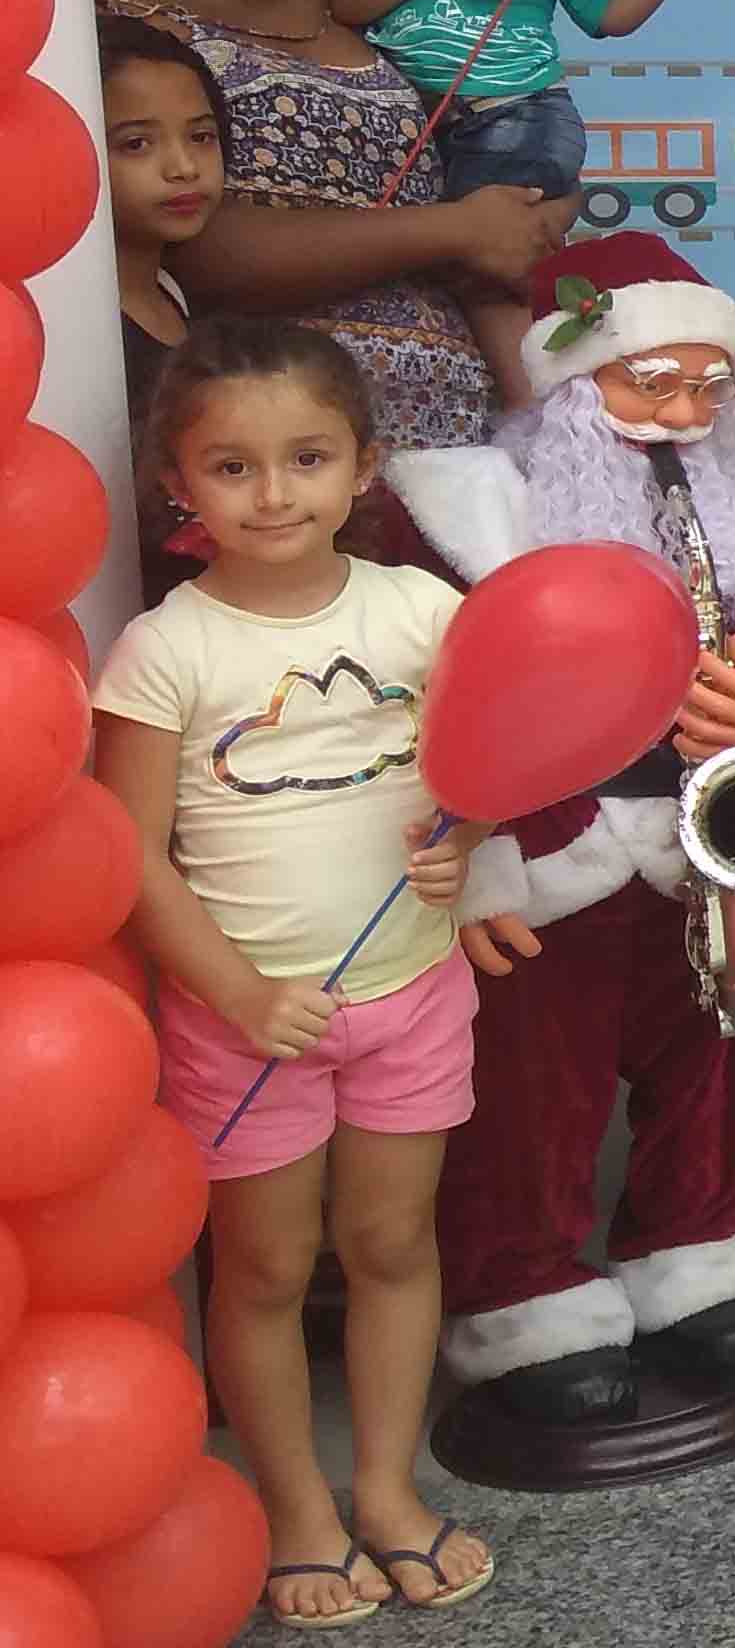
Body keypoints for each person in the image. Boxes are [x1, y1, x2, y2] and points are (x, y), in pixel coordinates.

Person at [381, 231, 735, 1439]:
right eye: (647, 382)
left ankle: (696, 1256)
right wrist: (474, 859)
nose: (683, 411)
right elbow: (413, 697)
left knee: (716, 1065)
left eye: (707, 385)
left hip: (713, 845)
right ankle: (523, 1296)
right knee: (530, 1097)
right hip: (552, 856)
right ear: (572, 384)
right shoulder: (462, 518)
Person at [96, 322, 506, 1624]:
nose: (273, 494)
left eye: (307, 458)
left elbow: (485, 770)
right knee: (264, 1276)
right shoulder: (167, 649)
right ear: (179, 480)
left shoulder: (423, 613)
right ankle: (299, 1507)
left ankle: (384, 1487)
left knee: (391, 1246)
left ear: (365, 467)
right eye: (232, 466)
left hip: (415, 995)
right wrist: (237, 995)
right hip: (244, 1023)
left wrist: (466, 841)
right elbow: (135, 859)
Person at [87, 0, 553, 449]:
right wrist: (455, 230)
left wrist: (532, 205)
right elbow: (184, 252)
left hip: (472, 443)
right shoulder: (92, 32)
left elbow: (485, 122)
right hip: (271, 466)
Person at [326, 0, 718, 402]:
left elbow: (615, 14)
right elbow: (343, 4)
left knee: (489, 265)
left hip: (520, 119)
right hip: (436, 127)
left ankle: (533, 406)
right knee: (425, 256)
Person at [100, 14, 219, 437]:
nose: (184, 168)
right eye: (136, 144)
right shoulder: (71, 321)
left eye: (202, 137)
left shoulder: (171, 294)